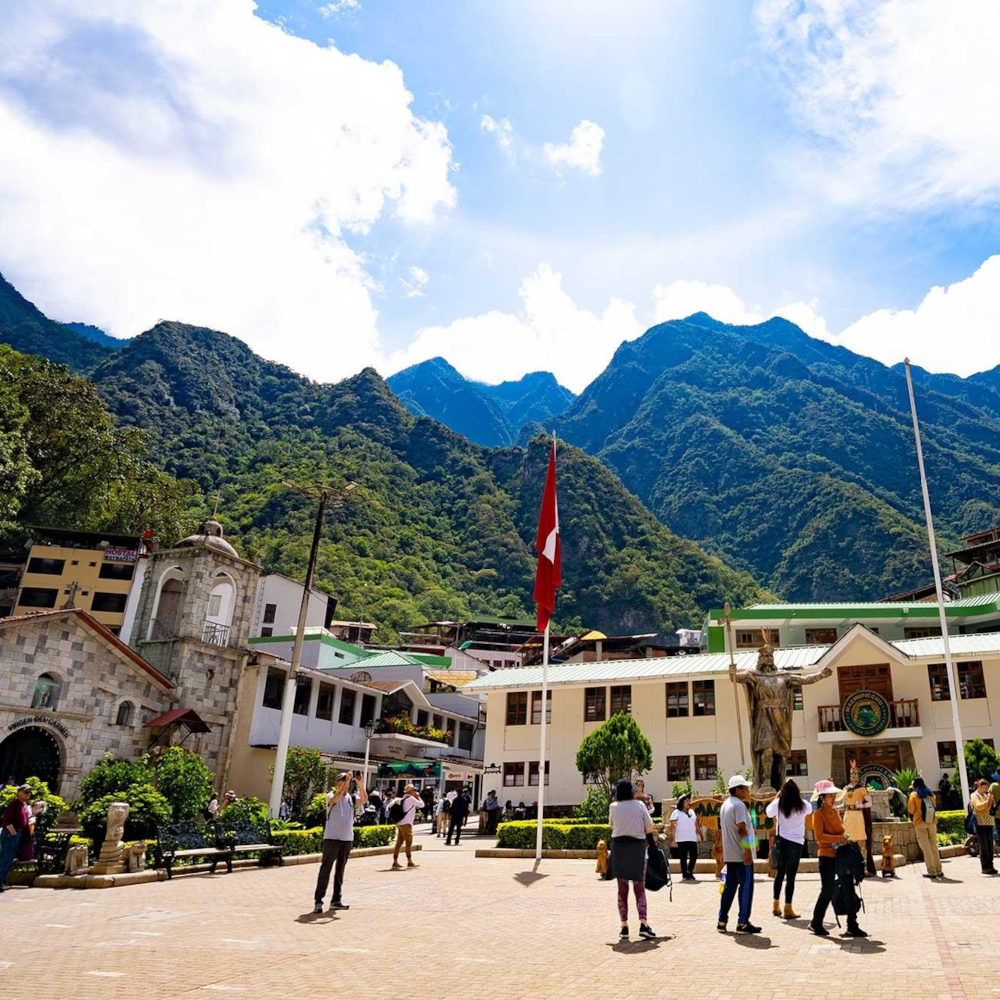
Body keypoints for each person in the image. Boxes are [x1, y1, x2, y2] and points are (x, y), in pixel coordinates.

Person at [810, 779, 867, 937]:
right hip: (826, 856)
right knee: (827, 890)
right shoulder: (818, 814)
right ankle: (816, 922)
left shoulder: (835, 811)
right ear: (822, 798)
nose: (832, 798)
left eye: (833, 795)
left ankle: (852, 924)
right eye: (829, 796)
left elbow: (841, 829)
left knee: (849, 887)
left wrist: (843, 837)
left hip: (841, 855)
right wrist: (838, 838)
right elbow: (820, 837)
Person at [609, 778, 656, 940]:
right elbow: (649, 828)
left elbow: (612, 826)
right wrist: (653, 846)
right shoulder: (640, 805)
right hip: (637, 849)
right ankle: (643, 924)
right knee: (639, 888)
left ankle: (624, 927)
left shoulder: (613, 807)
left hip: (619, 850)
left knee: (622, 891)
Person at [313, 771, 367, 913]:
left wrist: (359, 783)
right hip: (331, 838)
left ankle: (336, 900)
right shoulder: (330, 796)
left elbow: (364, 799)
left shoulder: (352, 798)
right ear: (337, 783)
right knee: (326, 869)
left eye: (346, 780)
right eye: (342, 780)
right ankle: (318, 901)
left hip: (346, 838)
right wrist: (347, 782)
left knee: (340, 871)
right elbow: (335, 799)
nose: (345, 782)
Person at [716, 775, 760, 935]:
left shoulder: (725, 805)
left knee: (729, 888)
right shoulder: (739, 806)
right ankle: (743, 922)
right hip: (741, 855)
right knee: (746, 887)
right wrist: (748, 852)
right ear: (738, 789)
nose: (747, 790)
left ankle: (722, 920)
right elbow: (741, 829)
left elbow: (724, 830)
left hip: (731, 854)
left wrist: (723, 851)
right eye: (745, 788)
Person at [766, 778, 810, 918]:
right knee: (791, 877)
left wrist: (776, 797)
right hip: (796, 843)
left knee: (779, 874)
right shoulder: (802, 804)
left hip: (782, 842)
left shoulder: (779, 804)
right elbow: (810, 808)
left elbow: (768, 812)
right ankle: (788, 908)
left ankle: (775, 905)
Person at [842, 763, 875, 877]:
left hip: (857, 815)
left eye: (855, 773)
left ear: (859, 775)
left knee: (861, 841)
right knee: (847, 842)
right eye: (851, 773)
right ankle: (849, 867)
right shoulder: (845, 789)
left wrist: (862, 806)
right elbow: (843, 804)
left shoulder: (861, 789)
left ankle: (864, 867)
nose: (853, 775)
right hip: (847, 815)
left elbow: (870, 802)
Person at [908, 775, 943, 879]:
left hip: (920, 822)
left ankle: (931, 871)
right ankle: (938, 870)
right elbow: (935, 806)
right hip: (932, 821)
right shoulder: (930, 794)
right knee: (934, 846)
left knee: (926, 848)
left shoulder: (913, 795)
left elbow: (910, 810)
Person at [0, 784, 32, 892]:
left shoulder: (24, 805)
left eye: (29, 792)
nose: (28, 794)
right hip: (10, 834)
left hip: (18, 834)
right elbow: (7, 821)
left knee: (10, 859)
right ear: (19, 792)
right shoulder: (14, 804)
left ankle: (3, 880)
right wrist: (13, 833)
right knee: (6, 858)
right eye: (26, 792)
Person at [668, 793, 700, 882]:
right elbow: (672, 825)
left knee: (694, 855)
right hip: (682, 838)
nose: (688, 802)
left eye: (688, 800)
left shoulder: (692, 811)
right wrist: (671, 836)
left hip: (692, 837)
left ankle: (690, 871)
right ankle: (684, 873)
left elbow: (696, 824)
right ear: (681, 802)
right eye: (686, 801)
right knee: (683, 856)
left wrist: (700, 834)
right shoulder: (676, 812)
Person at [969, 778, 997, 876]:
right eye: (985, 787)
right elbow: (978, 806)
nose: (986, 789)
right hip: (980, 823)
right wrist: (988, 802)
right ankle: (985, 867)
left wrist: (991, 802)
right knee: (983, 845)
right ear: (980, 786)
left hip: (989, 822)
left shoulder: (985, 795)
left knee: (990, 845)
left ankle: (991, 865)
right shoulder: (974, 795)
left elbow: (990, 806)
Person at [391, 784, 422, 870]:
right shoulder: (411, 799)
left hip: (400, 823)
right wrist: (418, 797)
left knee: (399, 843)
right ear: (410, 791)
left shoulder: (403, 798)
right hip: (407, 824)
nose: (415, 791)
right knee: (408, 843)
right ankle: (409, 861)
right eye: (414, 790)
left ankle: (395, 861)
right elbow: (422, 805)